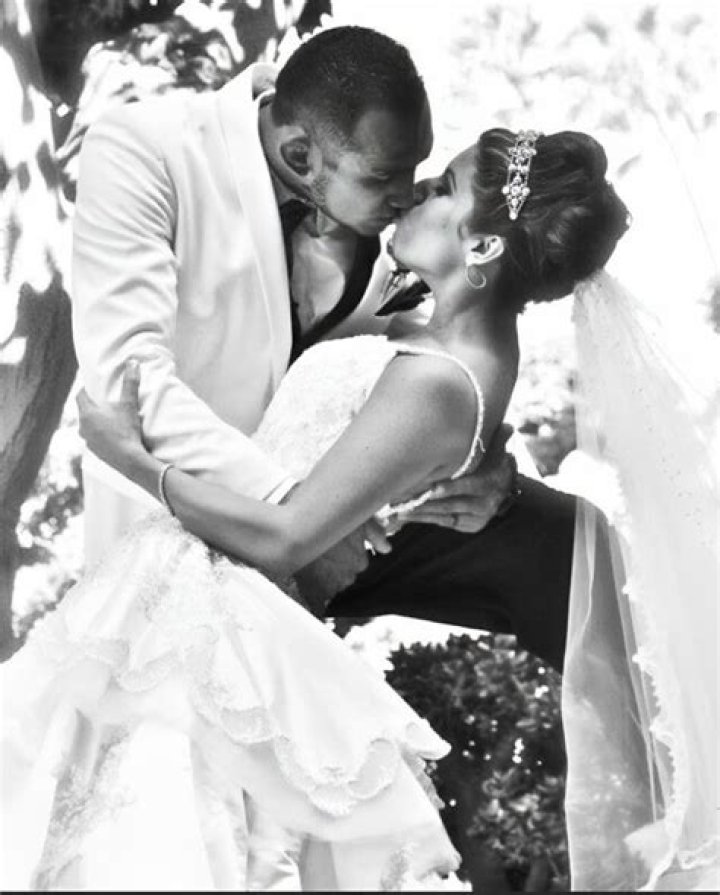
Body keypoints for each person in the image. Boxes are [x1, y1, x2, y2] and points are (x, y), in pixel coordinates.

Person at [2, 127, 637, 890]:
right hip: (203, 607)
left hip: (231, 630)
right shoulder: (446, 338)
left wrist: (132, 458)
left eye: (444, 187)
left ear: (483, 247)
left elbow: (288, 538)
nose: (416, 191)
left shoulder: (439, 379)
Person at [70, 25, 575, 677]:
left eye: (420, 168)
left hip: (324, 537)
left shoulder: (385, 206)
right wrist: (300, 514)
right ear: (300, 155)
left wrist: (480, 463)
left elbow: (430, 364)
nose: (409, 194)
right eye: (386, 177)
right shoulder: (146, 150)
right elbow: (127, 385)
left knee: (564, 544)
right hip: (181, 530)